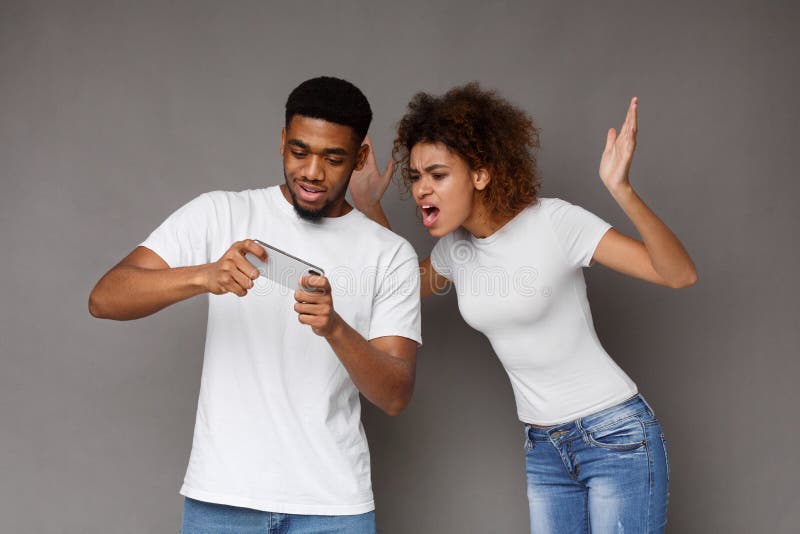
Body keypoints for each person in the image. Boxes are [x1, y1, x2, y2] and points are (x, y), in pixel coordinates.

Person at [350, 83, 697, 533]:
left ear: (480, 173)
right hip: (544, 446)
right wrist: (370, 205)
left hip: (615, 437)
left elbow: (678, 274)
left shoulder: (554, 223)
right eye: (416, 177)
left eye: (437, 175)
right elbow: (394, 288)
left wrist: (622, 189)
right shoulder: (456, 251)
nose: (421, 189)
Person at [88, 76, 422, 534]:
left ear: (360, 157)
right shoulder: (220, 213)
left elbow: (396, 394)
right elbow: (105, 297)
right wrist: (202, 276)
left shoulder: (390, 254)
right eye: (299, 151)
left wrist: (335, 329)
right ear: (282, 140)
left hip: (333, 507)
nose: (311, 172)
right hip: (222, 500)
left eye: (333, 158)